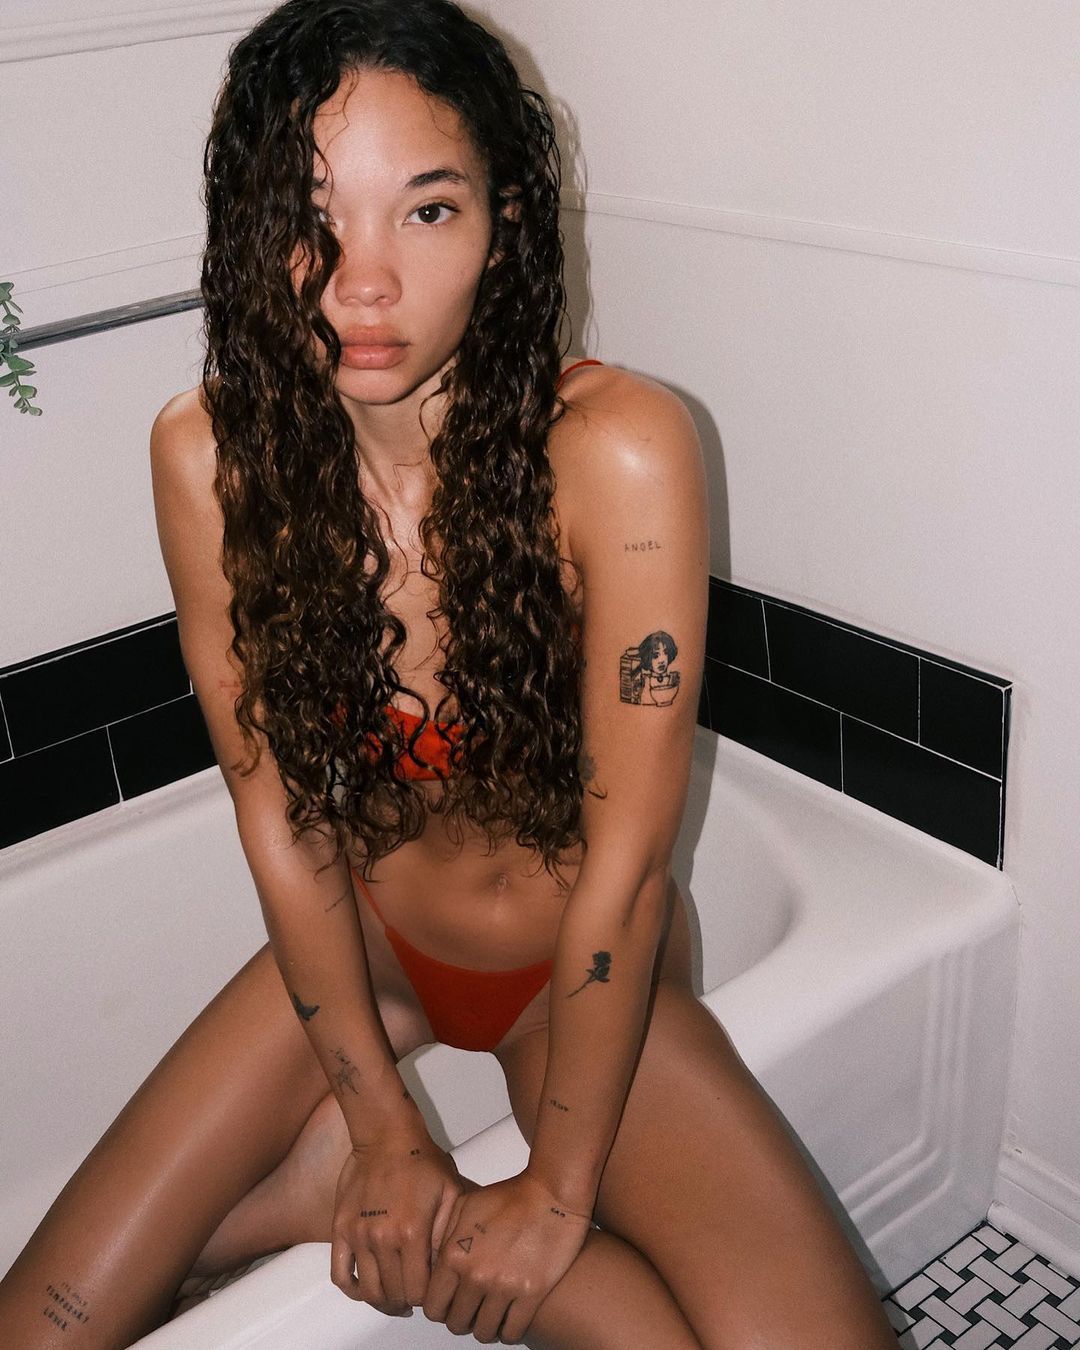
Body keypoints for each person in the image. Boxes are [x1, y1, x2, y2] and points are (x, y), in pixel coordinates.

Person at [0, 1, 900, 1345]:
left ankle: (339, 1203)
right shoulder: (208, 456)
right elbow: (279, 813)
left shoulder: (616, 450)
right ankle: (327, 1184)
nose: (364, 284)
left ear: (504, 226)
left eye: (426, 211)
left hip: (573, 972)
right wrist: (380, 1127)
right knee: (44, 1322)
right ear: (251, 229)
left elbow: (628, 868)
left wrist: (557, 1191)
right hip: (371, 943)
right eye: (314, 216)